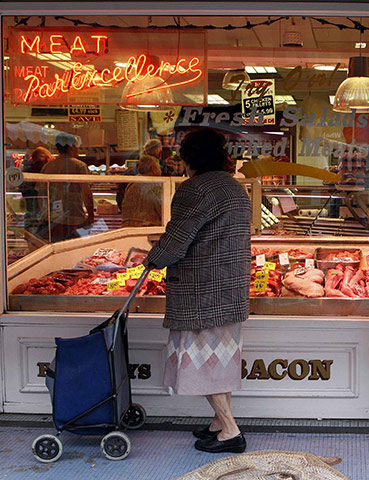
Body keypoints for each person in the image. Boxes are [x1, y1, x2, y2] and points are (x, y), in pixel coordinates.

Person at [145, 129, 251, 454]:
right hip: (230, 288)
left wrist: (152, 259)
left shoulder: (195, 190)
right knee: (221, 361)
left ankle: (230, 431)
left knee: (205, 363)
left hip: (202, 293)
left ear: (189, 159)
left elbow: (176, 240)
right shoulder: (234, 188)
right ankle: (218, 423)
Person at [41, 133, 94, 242]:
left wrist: (45, 214)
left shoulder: (48, 166)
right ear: (71, 147)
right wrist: (91, 215)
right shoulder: (79, 166)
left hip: (54, 219)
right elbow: (86, 193)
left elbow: (41, 193)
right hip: (75, 218)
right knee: (74, 250)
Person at [19, 147, 52, 247]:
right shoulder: (46, 171)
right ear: (46, 158)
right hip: (43, 216)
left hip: (30, 214)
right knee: (43, 244)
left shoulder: (26, 171)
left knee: (31, 244)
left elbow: (22, 190)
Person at [121, 156, 163, 227]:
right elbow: (163, 209)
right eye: (159, 168)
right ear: (153, 169)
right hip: (148, 231)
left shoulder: (132, 183)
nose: (161, 171)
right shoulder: (154, 184)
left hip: (128, 230)